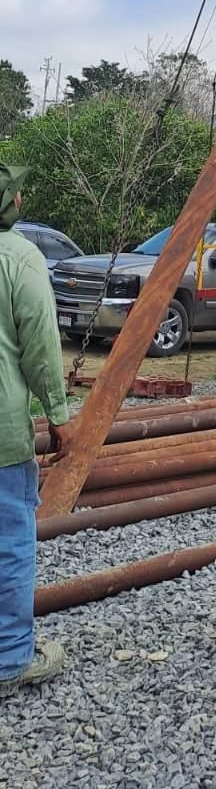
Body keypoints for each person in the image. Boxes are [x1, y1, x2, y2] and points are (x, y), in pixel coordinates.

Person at [0, 163, 71, 694]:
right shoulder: (20, 258)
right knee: (11, 540)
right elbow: (42, 349)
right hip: (3, 437)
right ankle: (10, 659)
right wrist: (58, 414)